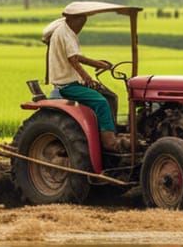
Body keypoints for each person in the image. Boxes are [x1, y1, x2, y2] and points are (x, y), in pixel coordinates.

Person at [42, 12, 124, 153]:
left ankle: (111, 131)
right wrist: (88, 78)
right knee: (101, 102)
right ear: (73, 20)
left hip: (72, 81)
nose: (81, 27)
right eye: (81, 23)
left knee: (111, 97)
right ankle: (110, 143)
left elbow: (77, 57)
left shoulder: (66, 31)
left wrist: (98, 63)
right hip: (67, 85)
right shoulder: (64, 33)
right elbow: (73, 59)